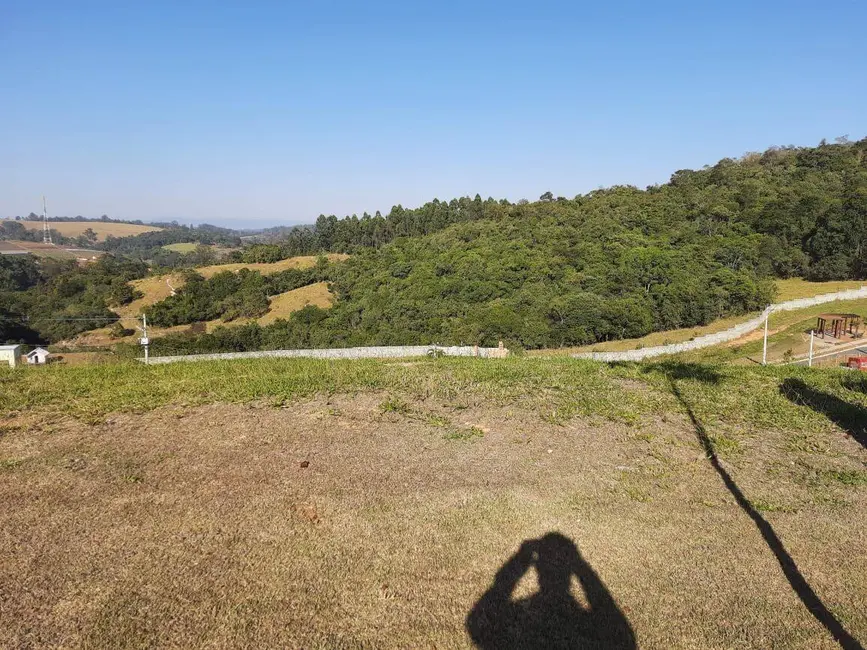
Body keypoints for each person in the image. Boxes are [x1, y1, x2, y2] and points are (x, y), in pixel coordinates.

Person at [467, 532, 635, 649]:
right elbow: (606, 608)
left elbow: (478, 623)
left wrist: (521, 559)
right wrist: (578, 563)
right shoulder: (618, 637)